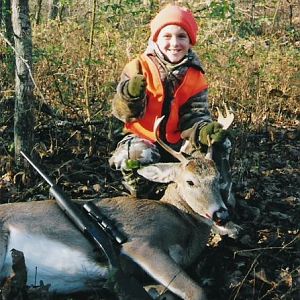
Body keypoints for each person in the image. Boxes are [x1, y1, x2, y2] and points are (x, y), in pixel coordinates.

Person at [109, 4, 234, 205]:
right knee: (135, 154)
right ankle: (142, 202)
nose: (174, 43)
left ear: (190, 41)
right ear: (155, 38)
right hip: (144, 140)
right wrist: (130, 96)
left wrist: (203, 132)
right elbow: (122, 113)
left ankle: (220, 204)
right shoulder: (137, 67)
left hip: (180, 144)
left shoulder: (195, 75)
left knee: (219, 145)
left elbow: (195, 116)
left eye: (182, 36)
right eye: (167, 36)